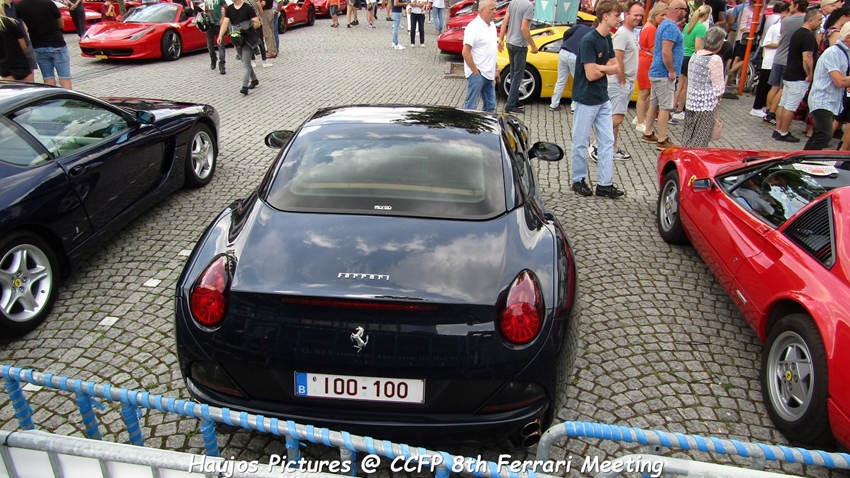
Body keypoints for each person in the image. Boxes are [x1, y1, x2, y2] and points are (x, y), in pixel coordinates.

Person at [569, 0, 625, 199]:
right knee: (580, 141)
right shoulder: (589, 40)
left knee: (607, 141)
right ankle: (578, 180)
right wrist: (605, 68)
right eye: (616, 15)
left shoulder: (607, 38)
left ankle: (605, 183)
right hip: (586, 98)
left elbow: (616, 66)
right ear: (605, 16)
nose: (619, 18)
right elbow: (590, 75)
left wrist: (601, 67)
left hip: (602, 98)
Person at [596, 1, 642, 161]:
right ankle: (596, 144)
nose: (638, 18)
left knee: (616, 116)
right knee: (617, 117)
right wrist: (623, 80)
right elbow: (617, 58)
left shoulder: (630, 33)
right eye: (635, 15)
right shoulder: (622, 34)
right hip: (619, 81)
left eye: (641, 15)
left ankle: (612, 147)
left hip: (625, 81)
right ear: (626, 15)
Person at [641, 0, 686, 150]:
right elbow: (666, 51)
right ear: (678, 10)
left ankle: (648, 132)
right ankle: (662, 138)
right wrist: (671, 70)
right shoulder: (671, 27)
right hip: (664, 73)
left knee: (654, 103)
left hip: (657, 71)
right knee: (665, 107)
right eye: (685, 10)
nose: (685, 13)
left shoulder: (663, 25)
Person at [773, 7, 820, 142]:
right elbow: (807, 58)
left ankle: (778, 129)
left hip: (790, 73)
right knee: (790, 106)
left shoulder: (797, 33)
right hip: (799, 76)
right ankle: (783, 132)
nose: (821, 22)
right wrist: (809, 74)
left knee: (783, 103)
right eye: (819, 20)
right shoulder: (808, 37)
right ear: (811, 20)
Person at [805, 22, 850, 149]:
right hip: (823, 98)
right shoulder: (833, 53)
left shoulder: (845, 53)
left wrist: (845, 79)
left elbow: (844, 79)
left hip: (832, 100)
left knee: (819, 134)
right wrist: (844, 79)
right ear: (848, 37)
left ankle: (805, 158)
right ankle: (806, 158)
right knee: (824, 135)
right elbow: (840, 81)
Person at [764, 0, 808, 125]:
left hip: (778, 57)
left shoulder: (785, 21)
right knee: (782, 89)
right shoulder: (805, 20)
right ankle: (772, 113)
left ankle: (768, 111)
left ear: (796, 5)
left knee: (774, 87)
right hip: (789, 59)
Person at [680, 27, 726, 146]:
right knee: (700, 141)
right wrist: (719, 98)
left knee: (687, 137)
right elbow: (719, 89)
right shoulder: (715, 59)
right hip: (705, 105)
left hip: (691, 102)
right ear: (719, 44)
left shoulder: (695, 55)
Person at [15, 0, 73, 89]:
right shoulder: (48, 3)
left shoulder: (19, 6)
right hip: (56, 44)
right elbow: (61, 24)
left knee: (48, 79)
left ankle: (50, 97)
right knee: (65, 79)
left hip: (38, 45)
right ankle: (67, 97)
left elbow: (21, 26)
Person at [498, 0, 537, 114]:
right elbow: (524, 28)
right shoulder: (529, 6)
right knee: (518, 75)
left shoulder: (513, 2)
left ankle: (514, 99)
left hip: (510, 42)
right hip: (520, 45)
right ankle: (510, 104)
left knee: (513, 72)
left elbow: (505, 21)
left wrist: (501, 39)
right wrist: (533, 45)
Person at [673, 4, 711, 119]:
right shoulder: (701, 28)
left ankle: (672, 108)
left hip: (683, 55)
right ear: (706, 15)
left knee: (679, 84)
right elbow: (698, 47)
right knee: (686, 86)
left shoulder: (688, 25)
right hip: (690, 57)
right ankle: (679, 110)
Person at [750, 2, 787, 117]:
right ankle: (756, 107)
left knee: (770, 86)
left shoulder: (780, 26)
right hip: (770, 60)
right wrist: (781, 44)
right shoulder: (775, 26)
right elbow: (766, 43)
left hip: (776, 61)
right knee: (764, 85)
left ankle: (765, 107)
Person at [635, 3, 667, 133]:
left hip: (644, 58)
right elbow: (654, 49)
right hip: (647, 60)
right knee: (645, 92)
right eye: (662, 15)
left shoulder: (648, 26)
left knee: (646, 92)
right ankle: (640, 120)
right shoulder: (652, 29)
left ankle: (639, 117)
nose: (664, 18)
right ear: (655, 15)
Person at [461, 0, 499, 112]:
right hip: (478, 73)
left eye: (495, 9)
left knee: (490, 106)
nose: (495, 12)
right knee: (471, 107)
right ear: (482, 10)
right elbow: (465, 52)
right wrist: (475, 72)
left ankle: (487, 123)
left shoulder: (492, 26)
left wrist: (496, 68)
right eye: (491, 9)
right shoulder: (474, 27)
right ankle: (467, 123)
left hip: (489, 73)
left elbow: (491, 50)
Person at [218, 0, 261, 95]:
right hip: (237, 40)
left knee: (246, 63)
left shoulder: (248, 8)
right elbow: (225, 23)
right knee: (245, 61)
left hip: (248, 40)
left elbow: (257, 23)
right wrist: (220, 36)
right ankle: (254, 80)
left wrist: (245, 28)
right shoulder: (230, 9)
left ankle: (244, 86)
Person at [549, 22, 592, 111]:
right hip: (575, 55)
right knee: (578, 82)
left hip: (564, 51)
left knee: (561, 80)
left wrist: (566, 42)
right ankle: (574, 107)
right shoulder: (594, 34)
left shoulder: (580, 26)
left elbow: (567, 32)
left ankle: (554, 104)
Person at [0, 7, 33, 82]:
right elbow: (23, 45)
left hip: (3, 64)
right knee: (28, 87)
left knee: (12, 87)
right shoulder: (11, 22)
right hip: (18, 61)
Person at [204, 0, 228, 74]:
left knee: (221, 46)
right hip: (209, 25)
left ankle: (222, 64)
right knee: (210, 46)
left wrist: (223, 18)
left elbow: (227, 8)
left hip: (219, 25)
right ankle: (213, 58)